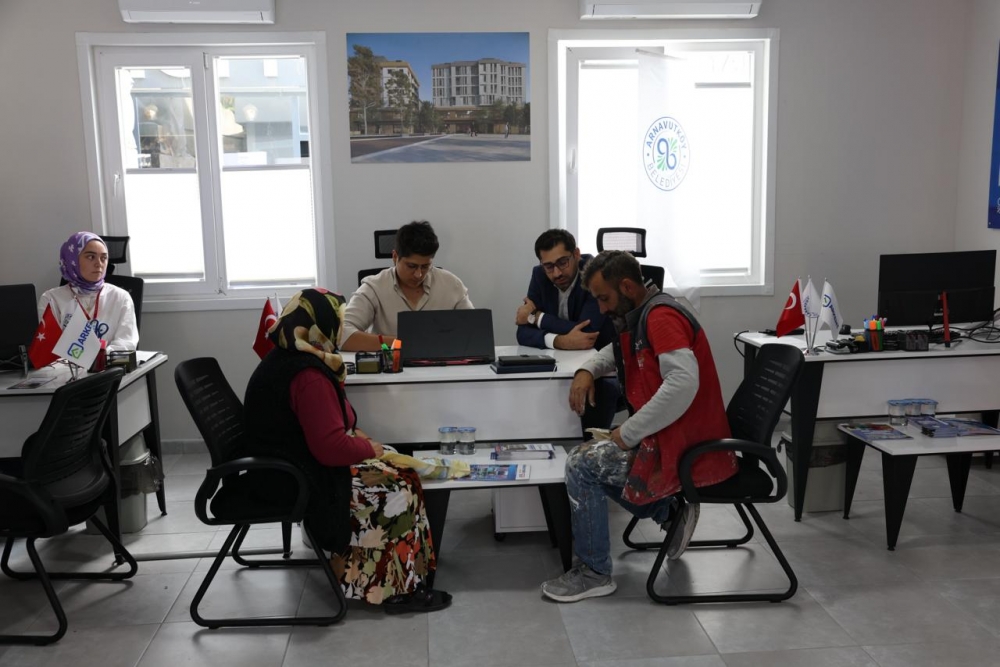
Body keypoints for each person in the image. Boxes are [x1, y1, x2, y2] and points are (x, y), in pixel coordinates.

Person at [541, 251, 737, 603]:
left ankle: (594, 573)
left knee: (582, 464)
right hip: (675, 437)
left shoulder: (661, 318)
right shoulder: (643, 313)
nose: (601, 309)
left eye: (604, 298)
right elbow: (616, 351)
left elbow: (683, 383)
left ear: (627, 286)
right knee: (589, 461)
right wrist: (588, 369)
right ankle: (669, 512)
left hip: (688, 447)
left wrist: (628, 432)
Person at [243, 288, 451, 613]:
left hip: (286, 467)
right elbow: (330, 449)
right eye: (338, 322)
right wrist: (367, 447)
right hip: (294, 480)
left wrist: (360, 440)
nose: (341, 330)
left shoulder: (291, 356)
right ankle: (390, 589)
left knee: (404, 473)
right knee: (396, 488)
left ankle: (409, 575)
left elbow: (328, 427)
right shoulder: (308, 375)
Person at [515, 229, 618, 435]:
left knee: (585, 435)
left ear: (576, 254)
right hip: (558, 366)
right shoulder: (539, 275)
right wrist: (559, 341)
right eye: (549, 266)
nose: (556, 273)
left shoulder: (594, 273)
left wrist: (537, 317)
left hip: (601, 368)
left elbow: (587, 331)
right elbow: (522, 333)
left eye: (563, 262)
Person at [342, 221, 473, 351]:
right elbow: (342, 335)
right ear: (395, 257)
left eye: (425, 266)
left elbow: (475, 331)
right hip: (391, 362)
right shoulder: (374, 287)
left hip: (440, 362)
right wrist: (403, 343)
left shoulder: (452, 285)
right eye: (411, 266)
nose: (418, 274)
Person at [37, 231, 138, 352]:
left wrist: (99, 357)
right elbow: (49, 346)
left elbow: (125, 344)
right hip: (66, 364)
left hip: (108, 363)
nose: (99, 264)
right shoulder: (51, 298)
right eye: (91, 257)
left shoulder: (120, 297)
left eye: (104, 258)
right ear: (72, 259)